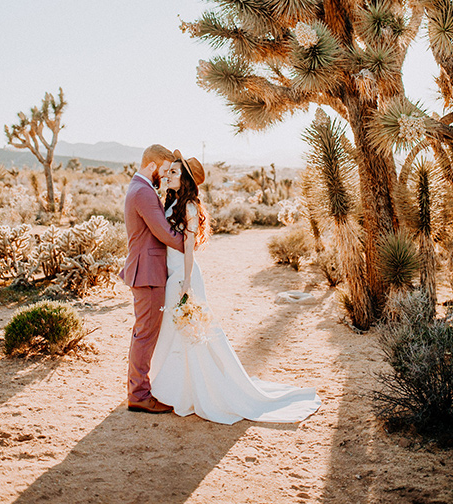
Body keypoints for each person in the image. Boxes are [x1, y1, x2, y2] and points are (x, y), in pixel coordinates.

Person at [150, 150, 322, 425]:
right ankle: (176, 390)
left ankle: (196, 393)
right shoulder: (170, 202)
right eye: (168, 171)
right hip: (175, 275)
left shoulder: (190, 207)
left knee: (192, 333)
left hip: (184, 276)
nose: (168, 175)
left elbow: (189, 249)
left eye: (173, 172)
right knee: (175, 332)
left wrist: (185, 282)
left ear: (185, 180)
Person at [119, 144, 184, 414]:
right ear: (152, 165)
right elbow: (164, 232)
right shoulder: (143, 192)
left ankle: (139, 390)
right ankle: (139, 395)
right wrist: (190, 243)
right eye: (165, 169)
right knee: (145, 334)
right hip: (147, 273)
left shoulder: (140, 188)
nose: (166, 174)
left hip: (147, 270)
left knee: (144, 332)